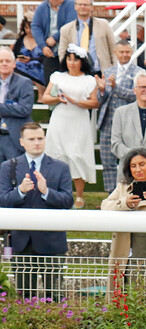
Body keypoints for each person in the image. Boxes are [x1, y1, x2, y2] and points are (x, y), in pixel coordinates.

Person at [0, 122, 73, 301]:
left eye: (40, 138)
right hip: (21, 240)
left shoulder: (60, 167)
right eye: (31, 139)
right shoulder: (8, 167)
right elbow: (2, 200)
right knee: (25, 296)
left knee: (54, 296)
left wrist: (46, 192)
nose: (37, 142)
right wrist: (20, 191)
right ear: (22, 142)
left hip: (52, 241)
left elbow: (68, 200)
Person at [41, 44, 97, 208]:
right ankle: (52, 193)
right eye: (69, 59)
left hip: (79, 120)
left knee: (76, 155)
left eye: (75, 60)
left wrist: (77, 102)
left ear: (82, 62)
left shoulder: (89, 79)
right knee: (56, 154)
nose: (72, 63)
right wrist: (58, 99)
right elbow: (45, 97)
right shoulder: (57, 76)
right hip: (60, 119)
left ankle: (79, 195)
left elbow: (94, 102)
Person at [95, 40, 143, 192]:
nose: (124, 55)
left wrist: (116, 88)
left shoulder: (139, 73)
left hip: (130, 123)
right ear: (115, 53)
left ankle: (129, 192)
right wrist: (102, 90)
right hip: (108, 121)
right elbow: (100, 100)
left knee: (130, 160)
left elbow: (136, 96)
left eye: (127, 52)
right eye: (121, 52)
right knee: (107, 161)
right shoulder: (108, 72)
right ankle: (111, 194)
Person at [58, 0, 116, 76]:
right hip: (78, 74)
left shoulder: (103, 24)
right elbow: (62, 53)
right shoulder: (66, 29)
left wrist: (114, 70)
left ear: (92, 7)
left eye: (86, 5)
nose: (83, 7)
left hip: (101, 73)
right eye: (80, 4)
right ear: (75, 7)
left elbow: (113, 48)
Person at [0, 48, 35, 165]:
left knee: (14, 176)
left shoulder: (24, 83)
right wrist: (12, 107)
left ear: (14, 64)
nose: (4, 63)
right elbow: (17, 108)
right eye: (1, 61)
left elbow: (25, 109)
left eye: (7, 61)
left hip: (13, 137)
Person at [32, 0, 77, 83]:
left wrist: (55, 38)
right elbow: (35, 26)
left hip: (68, 53)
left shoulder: (71, 5)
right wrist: (43, 46)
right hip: (50, 53)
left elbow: (71, 24)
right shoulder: (42, 7)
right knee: (50, 84)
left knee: (69, 83)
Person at [14, 17, 46, 93]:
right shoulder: (20, 40)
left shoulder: (42, 39)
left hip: (39, 65)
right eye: (26, 28)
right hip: (22, 66)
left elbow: (47, 57)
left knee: (36, 66)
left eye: (31, 28)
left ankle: (40, 87)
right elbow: (14, 54)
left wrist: (31, 59)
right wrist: (19, 59)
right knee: (16, 65)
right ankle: (37, 85)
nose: (29, 31)